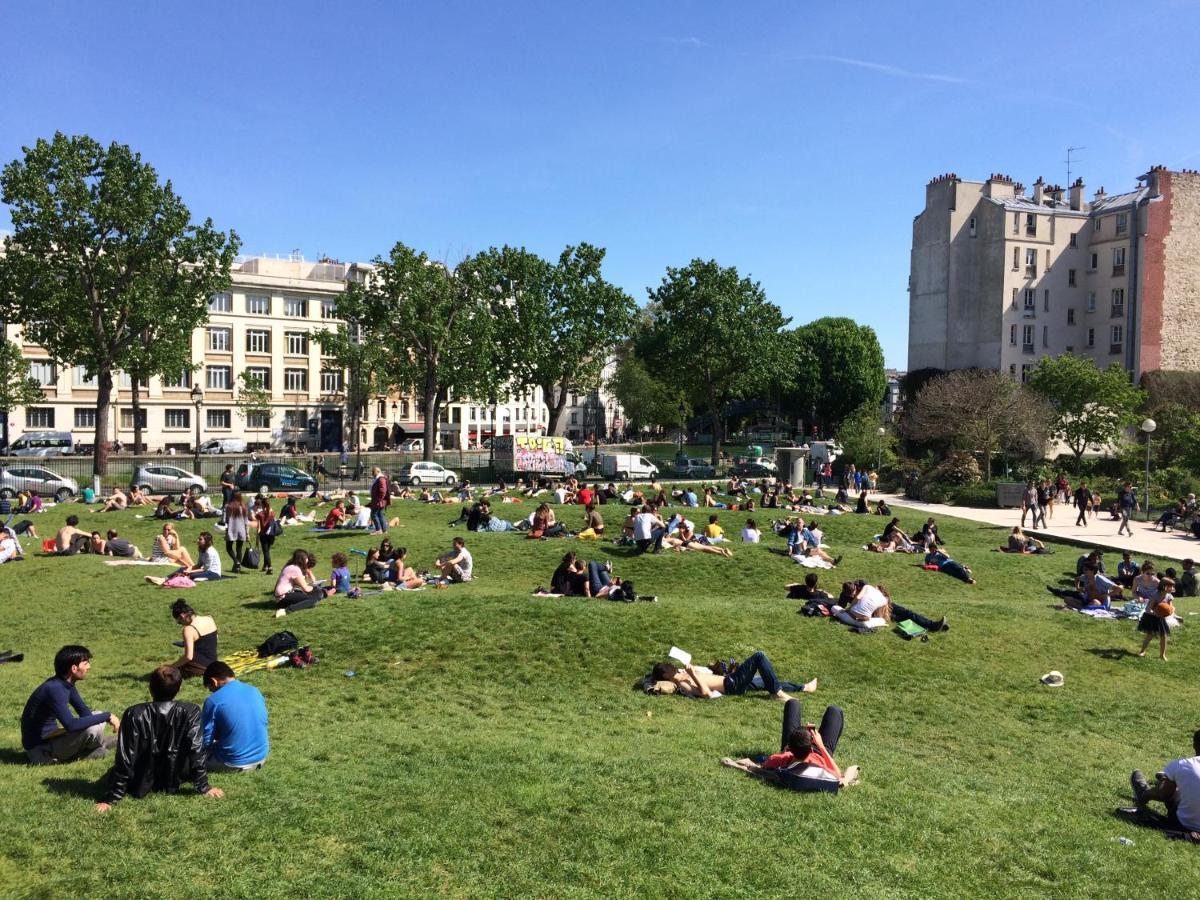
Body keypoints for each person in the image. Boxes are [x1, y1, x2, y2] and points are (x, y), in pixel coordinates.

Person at [95, 665, 224, 812]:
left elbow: (126, 757)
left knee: (109, 775)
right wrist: (204, 786)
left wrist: (112, 797)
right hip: (175, 776)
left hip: (140, 779)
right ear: (179, 688)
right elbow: (196, 751)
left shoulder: (134, 713)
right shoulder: (190, 711)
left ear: (150, 687)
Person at [721, 699, 859, 789]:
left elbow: (765, 764)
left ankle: (798, 734)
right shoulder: (819, 765)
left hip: (797, 749)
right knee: (835, 710)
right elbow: (837, 775)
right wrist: (821, 746)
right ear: (811, 743)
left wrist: (786, 752)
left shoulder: (781, 760)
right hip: (821, 752)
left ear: (789, 746)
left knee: (793, 703)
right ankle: (811, 740)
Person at [21, 645, 120, 764]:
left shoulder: (65, 684)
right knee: (94, 725)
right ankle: (89, 751)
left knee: (96, 715)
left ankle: (94, 748)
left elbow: (85, 713)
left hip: (52, 740)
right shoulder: (55, 689)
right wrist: (107, 716)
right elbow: (71, 725)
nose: (89, 667)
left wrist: (102, 717)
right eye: (86, 663)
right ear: (74, 668)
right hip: (41, 751)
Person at [651, 651, 816, 700]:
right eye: (669, 667)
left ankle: (804, 687)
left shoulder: (682, 673)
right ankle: (778, 694)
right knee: (759, 656)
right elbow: (706, 694)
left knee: (768, 681)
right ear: (667, 676)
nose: (673, 666)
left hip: (730, 679)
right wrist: (693, 675)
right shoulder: (683, 684)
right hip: (731, 684)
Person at [201, 661, 269, 772]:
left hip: (232, 762)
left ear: (214, 682)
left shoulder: (213, 701)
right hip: (260, 757)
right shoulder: (254, 691)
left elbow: (205, 741)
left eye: (210, 689)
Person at [1130, 729, 1200, 835]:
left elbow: (1163, 795)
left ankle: (1149, 788)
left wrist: (1144, 796)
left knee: (1174, 792)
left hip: (1184, 824)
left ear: (1195, 745)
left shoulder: (1182, 765)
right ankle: (1169, 779)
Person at [834, 580, 948, 632]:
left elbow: (873, 593)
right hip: (874, 613)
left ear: (855, 587)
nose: (853, 595)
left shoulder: (861, 584)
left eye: (854, 592)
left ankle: (932, 625)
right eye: (850, 595)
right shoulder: (844, 596)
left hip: (883, 604)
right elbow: (842, 609)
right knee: (900, 618)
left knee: (907, 612)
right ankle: (931, 627)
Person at [145, 532, 222, 585]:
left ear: (206, 541)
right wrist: (189, 568)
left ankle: (168, 582)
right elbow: (199, 564)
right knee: (182, 569)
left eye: (200, 539)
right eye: (198, 538)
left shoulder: (209, 552)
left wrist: (190, 571)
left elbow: (205, 569)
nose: (197, 540)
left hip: (213, 573)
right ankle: (163, 579)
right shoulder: (201, 549)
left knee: (189, 575)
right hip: (206, 571)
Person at [168, 599, 219, 677]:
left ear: (182, 616)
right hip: (213, 663)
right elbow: (213, 640)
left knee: (167, 672)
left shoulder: (189, 629)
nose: (181, 624)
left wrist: (170, 667)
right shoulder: (209, 618)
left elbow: (188, 657)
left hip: (199, 668)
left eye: (179, 622)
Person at [274, 549, 324, 615]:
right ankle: (286, 610)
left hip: (281, 597)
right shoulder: (295, 569)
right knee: (313, 600)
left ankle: (318, 596)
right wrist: (315, 587)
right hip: (283, 597)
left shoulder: (290, 566)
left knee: (314, 596)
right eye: (306, 558)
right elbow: (306, 589)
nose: (307, 559)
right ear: (302, 559)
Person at [1137, 577, 1175, 661]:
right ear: (1165, 586)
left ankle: (1162, 655)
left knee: (1164, 636)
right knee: (1150, 635)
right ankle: (1142, 651)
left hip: (1160, 618)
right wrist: (1155, 613)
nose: (1172, 588)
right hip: (1151, 617)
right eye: (1171, 586)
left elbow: (1170, 607)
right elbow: (1148, 608)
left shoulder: (1169, 596)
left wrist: (1171, 610)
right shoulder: (1155, 595)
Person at [223, 491, 250, 573]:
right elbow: (246, 521)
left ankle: (236, 562)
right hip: (241, 530)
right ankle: (237, 567)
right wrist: (247, 533)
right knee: (239, 549)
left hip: (231, 529)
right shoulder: (243, 507)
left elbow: (225, 520)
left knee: (228, 548)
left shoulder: (228, 506)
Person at [254, 496, 277, 575]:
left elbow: (258, 526)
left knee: (266, 552)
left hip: (263, 534)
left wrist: (257, 538)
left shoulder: (260, 514)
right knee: (267, 551)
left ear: (262, 505)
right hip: (271, 534)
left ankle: (270, 567)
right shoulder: (272, 513)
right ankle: (265, 566)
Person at [368, 466, 390, 534]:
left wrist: (379, 499)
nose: (372, 473)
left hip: (379, 500)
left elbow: (383, 490)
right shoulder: (379, 478)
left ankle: (378, 530)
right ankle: (384, 530)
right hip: (378, 500)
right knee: (380, 514)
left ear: (378, 471)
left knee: (373, 514)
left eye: (373, 472)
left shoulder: (381, 479)